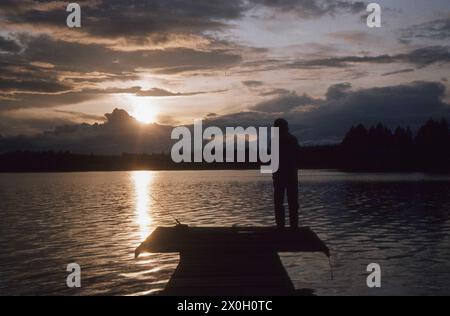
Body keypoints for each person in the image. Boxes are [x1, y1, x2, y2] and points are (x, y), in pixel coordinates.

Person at [273, 118, 301, 230]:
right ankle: (294, 226)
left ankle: (280, 227)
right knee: (293, 202)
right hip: (291, 175)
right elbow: (298, 155)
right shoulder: (293, 139)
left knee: (279, 202)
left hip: (279, 175)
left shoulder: (274, 140)